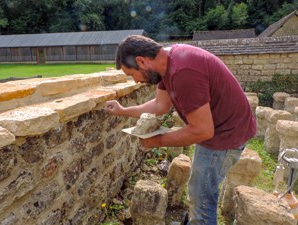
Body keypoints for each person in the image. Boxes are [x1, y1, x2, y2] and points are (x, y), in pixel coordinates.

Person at [105, 35, 256, 225]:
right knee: (198, 189)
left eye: (131, 75)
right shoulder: (166, 64)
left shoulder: (184, 72)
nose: (135, 81)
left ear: (141, 61)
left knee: (201, 198)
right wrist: (124, 111)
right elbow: (161, 105)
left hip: (225, 135)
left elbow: (202, 131)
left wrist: (156, 141)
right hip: (219, 128)